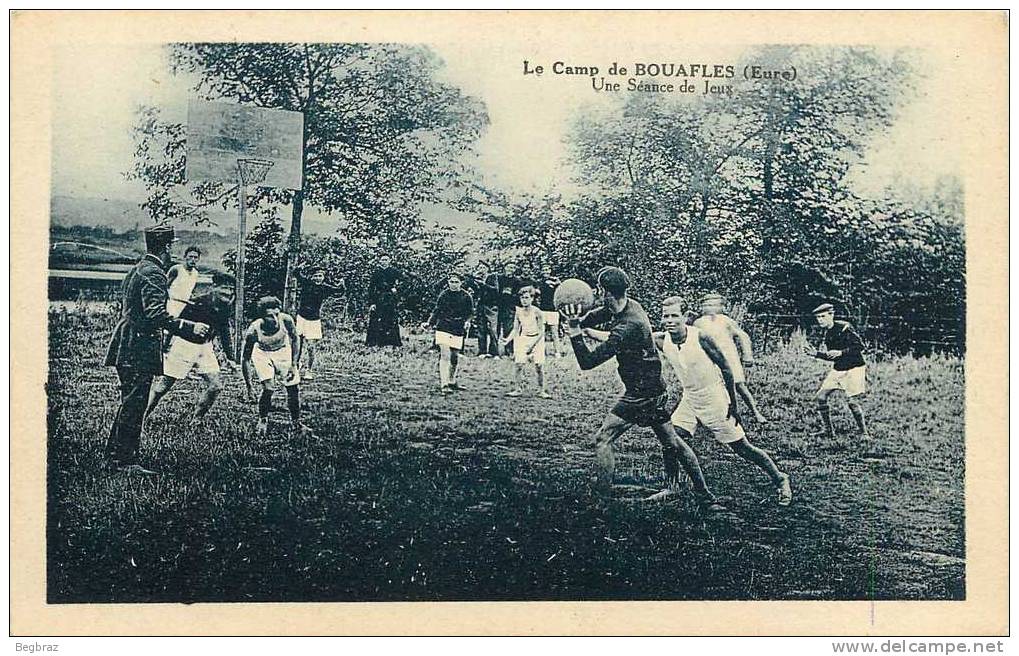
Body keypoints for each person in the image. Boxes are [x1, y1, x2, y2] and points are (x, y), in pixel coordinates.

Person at [559, 266, 724, 512]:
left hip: (640, 394)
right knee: (673, 443)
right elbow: (604, 312)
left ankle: (601, 501)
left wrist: (575, 334)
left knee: (603, 439)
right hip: (654, 389)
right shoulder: (630, 305)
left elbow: (588, 362)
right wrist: (581, 321)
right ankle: (706, 497)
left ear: (604, 291)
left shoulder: (628, 327)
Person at [656, 296, 791, 506]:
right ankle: (672, 485)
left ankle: (780, 478)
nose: (670, 320)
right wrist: (586, 329)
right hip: (689, 398)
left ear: (686, 317)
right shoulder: (661, 339)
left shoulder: (701, 338)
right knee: (670, 440)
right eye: (666, 316)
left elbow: (726, 368)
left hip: (715, 398)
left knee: (742, 448)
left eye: (675, 315)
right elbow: (623, 335)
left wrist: (733, 404)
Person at [104, 225, 210, 473]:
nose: (173, 250)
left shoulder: (139, 268)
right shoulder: (154, 273)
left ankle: (114, 455)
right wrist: (188, 327)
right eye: (172, 245)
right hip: (138, 345)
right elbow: (155, 314)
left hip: (127, 342)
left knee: (130, 401)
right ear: (166, 247)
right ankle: (125, 462)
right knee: (135, 403)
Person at [146, 271, 237, 424]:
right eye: (224, 288)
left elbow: (224, 331)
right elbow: (174, 324)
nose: (228, 292)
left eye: (231, 289)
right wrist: (166, 346)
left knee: (216, 386)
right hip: (184, 346)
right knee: (163, 387)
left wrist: (230, 357)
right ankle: (141, 417)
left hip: (205, 348)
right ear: (214, 287)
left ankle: (196, 419)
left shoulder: (226, 306)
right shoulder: (198, 303)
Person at [693, 293, 768, 424]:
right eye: (706, 305)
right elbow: (693, 340)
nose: (709, 308)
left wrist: (747, 354)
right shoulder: (698, 323)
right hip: (709, 359)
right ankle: (705, 416)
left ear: (721, 307)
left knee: (739, 386)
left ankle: (756, 412)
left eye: (713, 305)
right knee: (709, 388)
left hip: (729, 357)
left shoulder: (726, 320)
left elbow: (743, 336)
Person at [241, 296, 310, 436]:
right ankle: (263, 420)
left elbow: (295, 338)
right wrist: (249, 387)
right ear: (262, 317)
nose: (274, 319)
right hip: (262, 353)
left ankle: (296, 422)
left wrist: (294, 363)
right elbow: (246, 359)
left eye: (276, 314)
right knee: (268, 388)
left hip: (283, 351)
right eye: (269, 316)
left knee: (293, 387)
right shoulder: (254, 330)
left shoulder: (286, 320)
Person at [805, 303, 870, 440]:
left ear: (831, 315)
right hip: (838, 369)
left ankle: (864, 433)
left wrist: (841, 352)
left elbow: (860, 346)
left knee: (852, 402)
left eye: (823, 316)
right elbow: (833, 356)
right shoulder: (828, 334)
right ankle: (828, 431)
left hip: (855, 368)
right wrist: (816, 354)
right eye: (818, 317)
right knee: (821, 397)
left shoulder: (844, 327)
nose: (820, 320)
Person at [422, 271, 474, 394]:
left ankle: (452, 381)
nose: (453, 284)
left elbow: (470, 312)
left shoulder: (466, 296)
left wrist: (468, 321)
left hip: (457, 327)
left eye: (456, 282)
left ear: (461, 283)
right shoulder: (444, 295)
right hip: (443, 327)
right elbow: (437, 310)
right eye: (451, 282)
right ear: (448, 282)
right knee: (445, 355)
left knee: (454, 357)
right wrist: (429, 322)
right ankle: (444, 384)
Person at [296, 267, 346, 379]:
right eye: (315, 276)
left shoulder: (324, 288)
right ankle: (296, 366)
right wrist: (300, 267)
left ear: (323, 277)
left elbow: (339, 291)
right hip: (301, 317)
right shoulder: (306, 283)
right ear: (312, 277)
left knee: (310, 346)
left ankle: (309, 370)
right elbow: (296, 273)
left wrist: (342, 284)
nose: (318, 278)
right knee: (298, 344)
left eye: (320, 276)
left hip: (313, 320)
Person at [502, 286, 551, 398]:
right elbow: (515, 329)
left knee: (539, 366)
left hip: (537, 340)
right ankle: (518, 389)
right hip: (523, 338)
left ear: (532, 298)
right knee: (518, 364)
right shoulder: (518, 312)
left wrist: (532, 345)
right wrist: (507, 339)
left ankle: (541, 390)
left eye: (526, 297)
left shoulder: (537, 312)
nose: (524, 300)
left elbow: (541, 331)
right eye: (522, 298)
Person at [366, 255, 403, 347]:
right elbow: (371, 288)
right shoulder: (376, 273)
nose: (384, 261)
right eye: (382, 260)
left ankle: (392, 342)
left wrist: (396, 288)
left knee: (391, 319)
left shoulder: (394, 271)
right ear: (379, 261)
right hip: (378, 298)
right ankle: (375, 342)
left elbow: (404, 281)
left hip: (390, 299)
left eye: (386, 260)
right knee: (376, 319)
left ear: (389, 261)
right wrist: (372, 303)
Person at [491, 262, 521, 357]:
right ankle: (493, 352)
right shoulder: (498, 278)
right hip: (497, 306)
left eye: (513, 267)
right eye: (509, 267)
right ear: (505, 268)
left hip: (509, 307)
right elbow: (493, 290)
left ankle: (509, 351)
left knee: (509, 329)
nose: (510, 269)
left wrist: (511, 295)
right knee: (495, 329)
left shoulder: (517, 281)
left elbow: (519, 295)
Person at [536, 265, 567, 358]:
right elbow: (537, 293)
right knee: (541, 333)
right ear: (541, 271)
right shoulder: (539, 282)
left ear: (550, 270)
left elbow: (562, 291)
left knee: (555, 333)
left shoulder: (556, 282)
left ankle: (557, 352)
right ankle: (542, 352)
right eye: (544, 269)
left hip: (553, 310)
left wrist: (558, 283)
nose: (545, 271)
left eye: (547, 269)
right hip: (542, 310)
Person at [473, 262, 501, 358]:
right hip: (481, 306)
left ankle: (494, 352)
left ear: (487, 268)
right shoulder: (477, 279)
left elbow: (495, 290)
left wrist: (483, 284)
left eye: (483, 267)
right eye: (480, 267)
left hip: (491, 306)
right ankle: (482, 351)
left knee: (493, 329)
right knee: (481, 329)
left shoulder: (492, 277)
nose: (482, 269)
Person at [166, 245, 202, 317]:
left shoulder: (195, 273)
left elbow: (189, 290)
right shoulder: (176, 269)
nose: (193, 259)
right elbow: (165, 286)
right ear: (185, 257)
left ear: (198, 259)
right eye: (190, 256)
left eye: (195, 257)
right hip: (171, 305)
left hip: (185, 307)